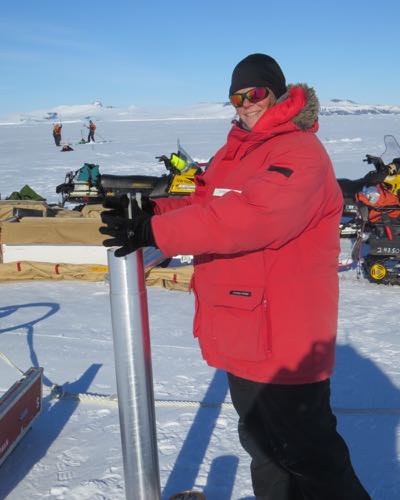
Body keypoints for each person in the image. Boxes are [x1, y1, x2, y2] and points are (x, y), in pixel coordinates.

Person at [100, 53, 371, 500]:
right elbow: (206, 203)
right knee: (265, 452)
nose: (245, 103)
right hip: (242, 329)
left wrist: (156, 232)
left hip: (286, 341)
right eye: (236, 96)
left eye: (255, 93)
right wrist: (151, 210)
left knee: (311, 459)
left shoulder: (299, 152)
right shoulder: (235, 150)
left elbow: (255, 216)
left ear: (279, 93)